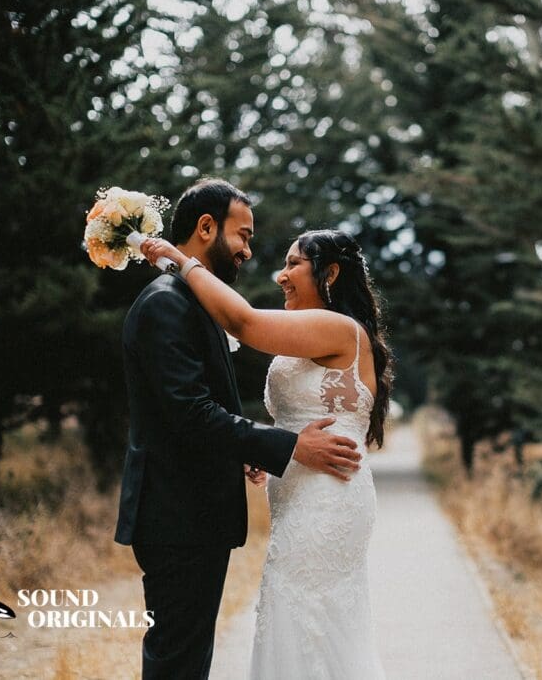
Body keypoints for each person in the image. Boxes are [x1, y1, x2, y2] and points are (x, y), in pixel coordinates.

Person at [117, 178, 363, 680]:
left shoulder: (193, 301)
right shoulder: (168, 301)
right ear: (206, 228)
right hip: (176, 515)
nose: (251, 252)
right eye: (243, 236)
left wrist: (241, 448)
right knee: (177, 659)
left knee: (185, 658)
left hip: (193, 514)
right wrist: (288, 445)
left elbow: (204, 405)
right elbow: (191, 413)